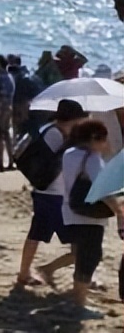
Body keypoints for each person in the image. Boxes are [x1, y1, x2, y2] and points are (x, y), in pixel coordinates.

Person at [16, 99, 86, 288]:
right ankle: (54, 271)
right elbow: (62, 162)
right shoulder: (55, 134)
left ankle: (25, 272)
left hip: (47, 193)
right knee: (79, 243)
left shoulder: (50, 130)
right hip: (54, 195)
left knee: (36, 234)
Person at [60, 119, 119, 307]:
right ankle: (79, 302)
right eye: (104, 139)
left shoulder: (69, 154)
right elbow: (103, 190)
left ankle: (79, 296)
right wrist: (119, 211)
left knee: (82, 255)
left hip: (71, 211)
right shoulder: (93, 159)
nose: (106, 143)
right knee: (90, 257)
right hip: (90, 217)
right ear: (94, 138)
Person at [0, 55, 16, 171]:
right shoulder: (10, 77)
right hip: (8, 108)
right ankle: (11, 162)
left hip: (0, 110)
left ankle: (0, 164)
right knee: (6, 135)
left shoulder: (2, 78)